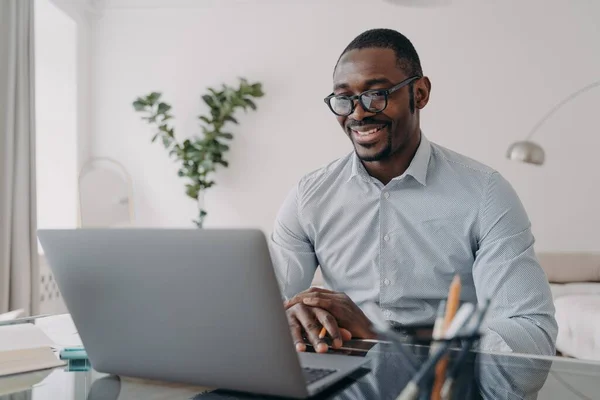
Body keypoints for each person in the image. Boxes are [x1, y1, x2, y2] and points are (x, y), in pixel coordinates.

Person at [269, 28, 557, 355]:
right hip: (342, 370)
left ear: (419, 93)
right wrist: (292, 316)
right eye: (344, 99)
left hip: (440, 377)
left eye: (376, 94)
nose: (358, 113)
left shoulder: (486, 194)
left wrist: (381, 339)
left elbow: (530, 334)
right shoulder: (309, 196)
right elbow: (267, 307)